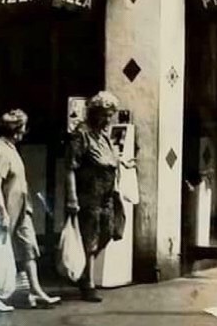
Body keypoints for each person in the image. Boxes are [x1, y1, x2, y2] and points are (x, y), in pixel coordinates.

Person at [0, 109, 61, 312]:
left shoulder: (11, 148)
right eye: (23, 127)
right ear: (17, 129)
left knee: (28, 248)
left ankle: (35, 290)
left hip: (21, 208)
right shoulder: (0, 150)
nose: (25, 131)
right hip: (7, 209)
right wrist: (2, 213)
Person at [65, 91, 133, 302]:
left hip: (107, 194)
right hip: (89, 193)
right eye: (106, 114)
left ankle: (85, 271)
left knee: (109, 230)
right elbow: (70, 167)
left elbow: (111, 158)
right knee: (90, 235)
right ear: (96, 113)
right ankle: (88, 282)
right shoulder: (81, 134)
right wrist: (72, 197)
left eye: (111, 114)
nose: (109, 119)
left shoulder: (103, 135)